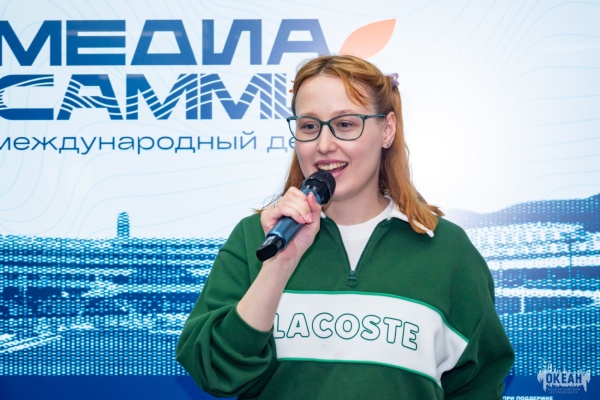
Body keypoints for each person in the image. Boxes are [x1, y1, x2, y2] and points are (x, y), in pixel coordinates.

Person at [176, 54, 514, 399]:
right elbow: (214, 371)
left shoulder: (447, 250)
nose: (324, 145)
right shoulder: (259, 237)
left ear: (387, 129)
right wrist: (277, 266)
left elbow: (479, 385)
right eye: (309, 126)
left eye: (346, 124)